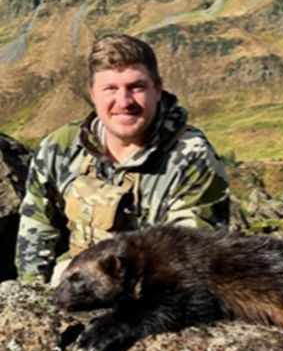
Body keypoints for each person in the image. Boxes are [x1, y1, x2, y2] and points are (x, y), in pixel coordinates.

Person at [15, 33, 230, 283]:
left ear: (158, 89)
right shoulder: (59, 147)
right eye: (110, 89)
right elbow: (38, 224)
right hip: (77, 281)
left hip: (156, 289)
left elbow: (194, 261)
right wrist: (32, 292)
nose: (124, 101)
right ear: (93, 94)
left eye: (136, 87)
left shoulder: (192, 157)